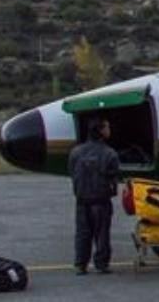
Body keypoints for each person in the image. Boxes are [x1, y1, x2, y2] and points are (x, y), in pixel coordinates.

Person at [70, 118, 122, 275]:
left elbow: (72, 172)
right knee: (102, 234)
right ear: (101, 131)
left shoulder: (76, 152)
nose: (109, 130)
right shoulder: (110, 154)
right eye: (107, 127)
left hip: (82, 199)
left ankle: (80, 264)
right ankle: (101, 263)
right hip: (101, 199)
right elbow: (114, 176)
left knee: (82, 233)